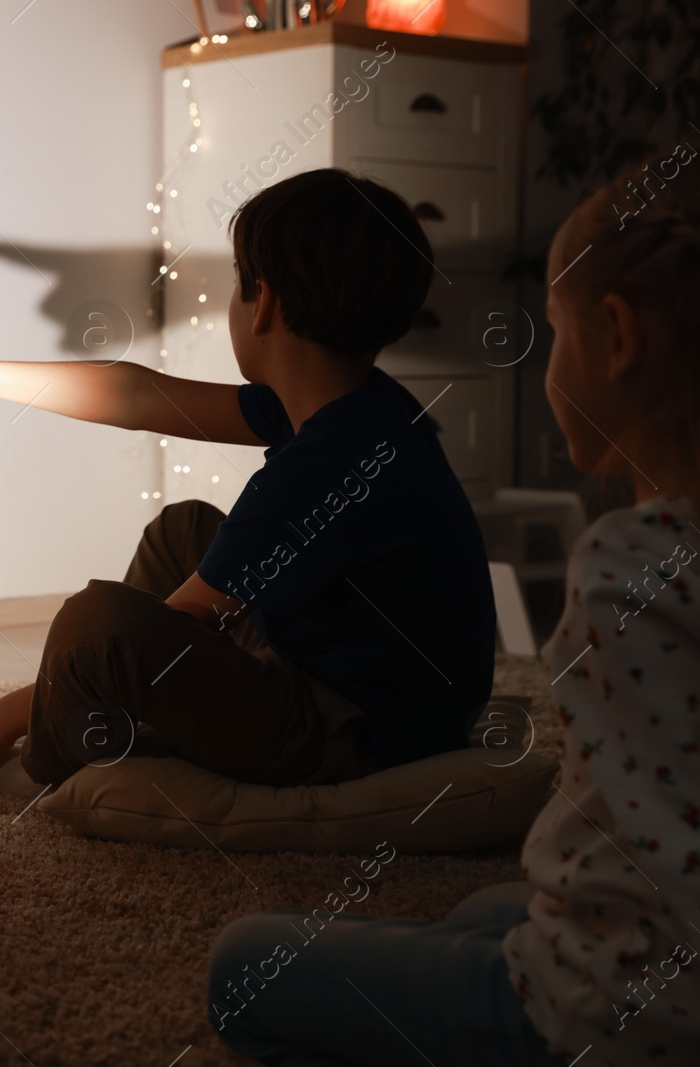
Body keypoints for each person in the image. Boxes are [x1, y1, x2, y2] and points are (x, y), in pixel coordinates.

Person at [206, 151, 700, 1064]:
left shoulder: (632, 567)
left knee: (245, 963)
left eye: (554, 332)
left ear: (619, 338)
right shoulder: (359, 420)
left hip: (604, 1009)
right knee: (479, 910)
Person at [0, 168, 494, 794]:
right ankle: (97, 716)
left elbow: (185, 618)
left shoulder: (326, 464)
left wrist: (2, 715)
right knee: (181, 531)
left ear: (264, 302)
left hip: (356, 737)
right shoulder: (354, 404)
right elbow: (135, 394)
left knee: (96, 624)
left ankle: (55, 763)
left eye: (240, 283)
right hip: (345, 677)